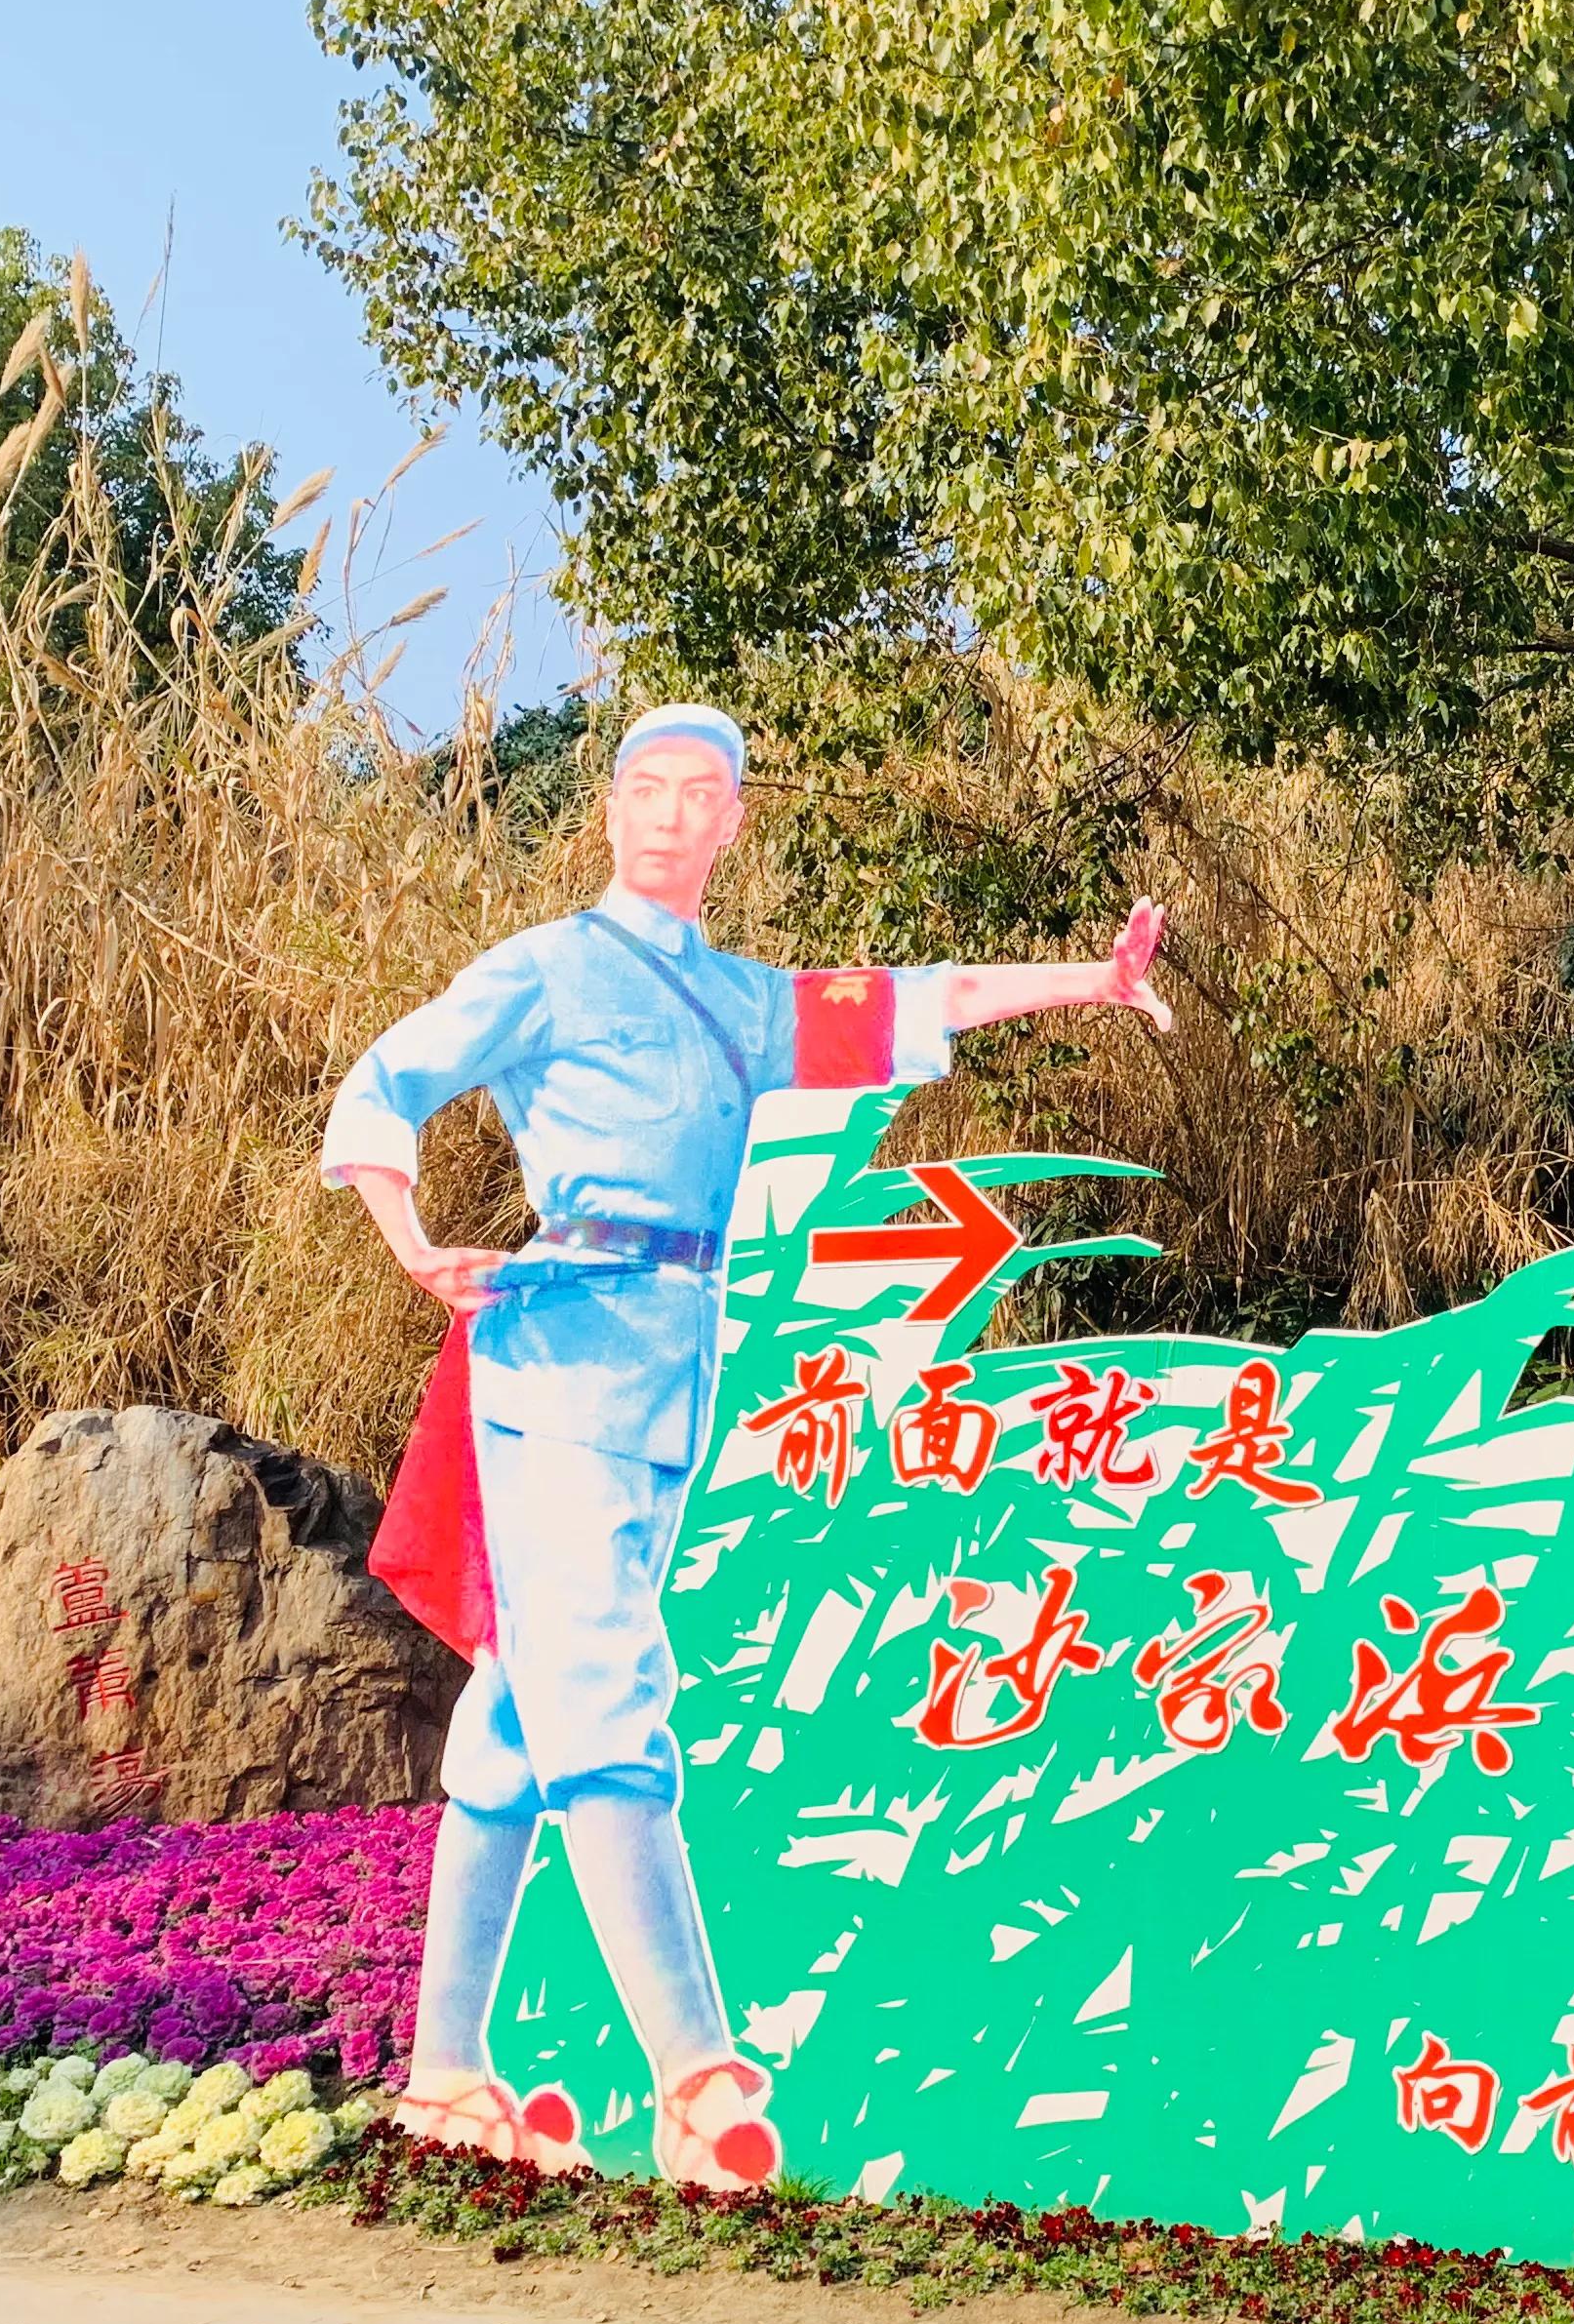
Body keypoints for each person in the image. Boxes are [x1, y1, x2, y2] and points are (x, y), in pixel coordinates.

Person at [323, 701, 1169, 2188]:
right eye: (645, 787)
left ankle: (445, 2076)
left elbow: (918, 998)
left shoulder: (744, 1001)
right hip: (556, 1353)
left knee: (523, 1705)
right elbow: (387, 1080)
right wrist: (410, 1243)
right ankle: (695, 2076)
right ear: (608, 810)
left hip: (671, 1362)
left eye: (697, 792)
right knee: (602, 1684)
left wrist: (1091, 982)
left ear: (731, 821)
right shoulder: (546, 967)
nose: (667, 812)